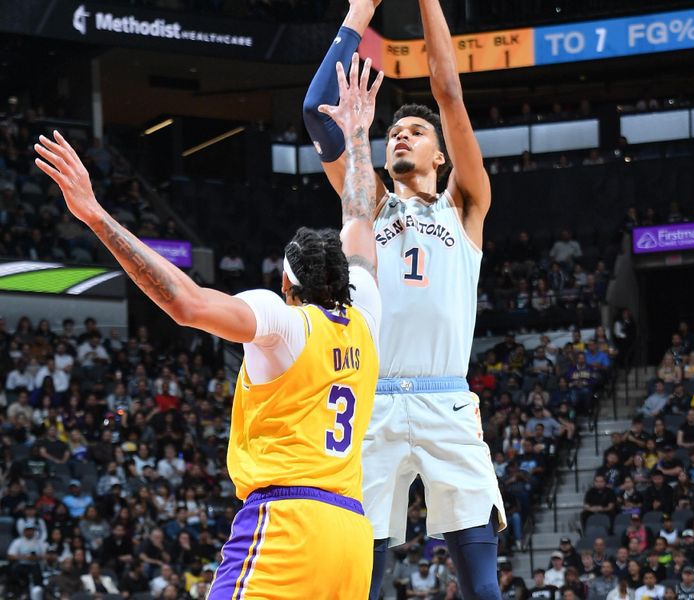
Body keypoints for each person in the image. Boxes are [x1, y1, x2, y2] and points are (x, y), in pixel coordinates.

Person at [33, 51, 384, 598]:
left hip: (288, 524)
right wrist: (359, 136)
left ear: (287, 284)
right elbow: (360, 214)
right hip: (353, 538)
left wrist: (95, 215)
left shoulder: (283, 321)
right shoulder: (366, 314)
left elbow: (185, 303)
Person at [304, 2, 505, 598]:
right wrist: (359, 12)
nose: (401, 135)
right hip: (373, 403)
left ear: (439, 156)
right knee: (359, 581)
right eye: (394, 131)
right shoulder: (364, 203)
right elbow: (316, 112)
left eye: (415, 132)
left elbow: (447, 90)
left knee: (481, 587)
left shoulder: (465, 206)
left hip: (447, 400)